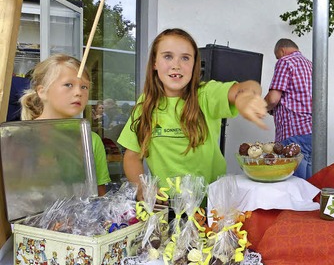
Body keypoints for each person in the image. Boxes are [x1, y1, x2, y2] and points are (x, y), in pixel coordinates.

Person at [118, 28, 267, 196]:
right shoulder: (145, 104)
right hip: (166, 207)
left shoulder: (206, 94)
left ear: (195, 64)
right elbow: (132, 156)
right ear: (154, 62)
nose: (176, 65)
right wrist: (143, 189)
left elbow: (247, 86)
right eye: (168, 56)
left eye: (185, 58)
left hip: (211, 207)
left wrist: (245, 96)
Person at [20, 54, 111, 196]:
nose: (78, 92)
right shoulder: (19, 138)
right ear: (42, 91)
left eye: (84, 87)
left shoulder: (91, 140)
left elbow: (99, 196)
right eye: (68, 84)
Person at [265, 38, 313, 179]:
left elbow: (273, 98)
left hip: (293, 133)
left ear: (282, 51)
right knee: (311, 186)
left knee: (295, 186)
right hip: (312, 133)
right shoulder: (311, 65)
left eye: (277, 56)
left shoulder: (285, 61)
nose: (277, 59)